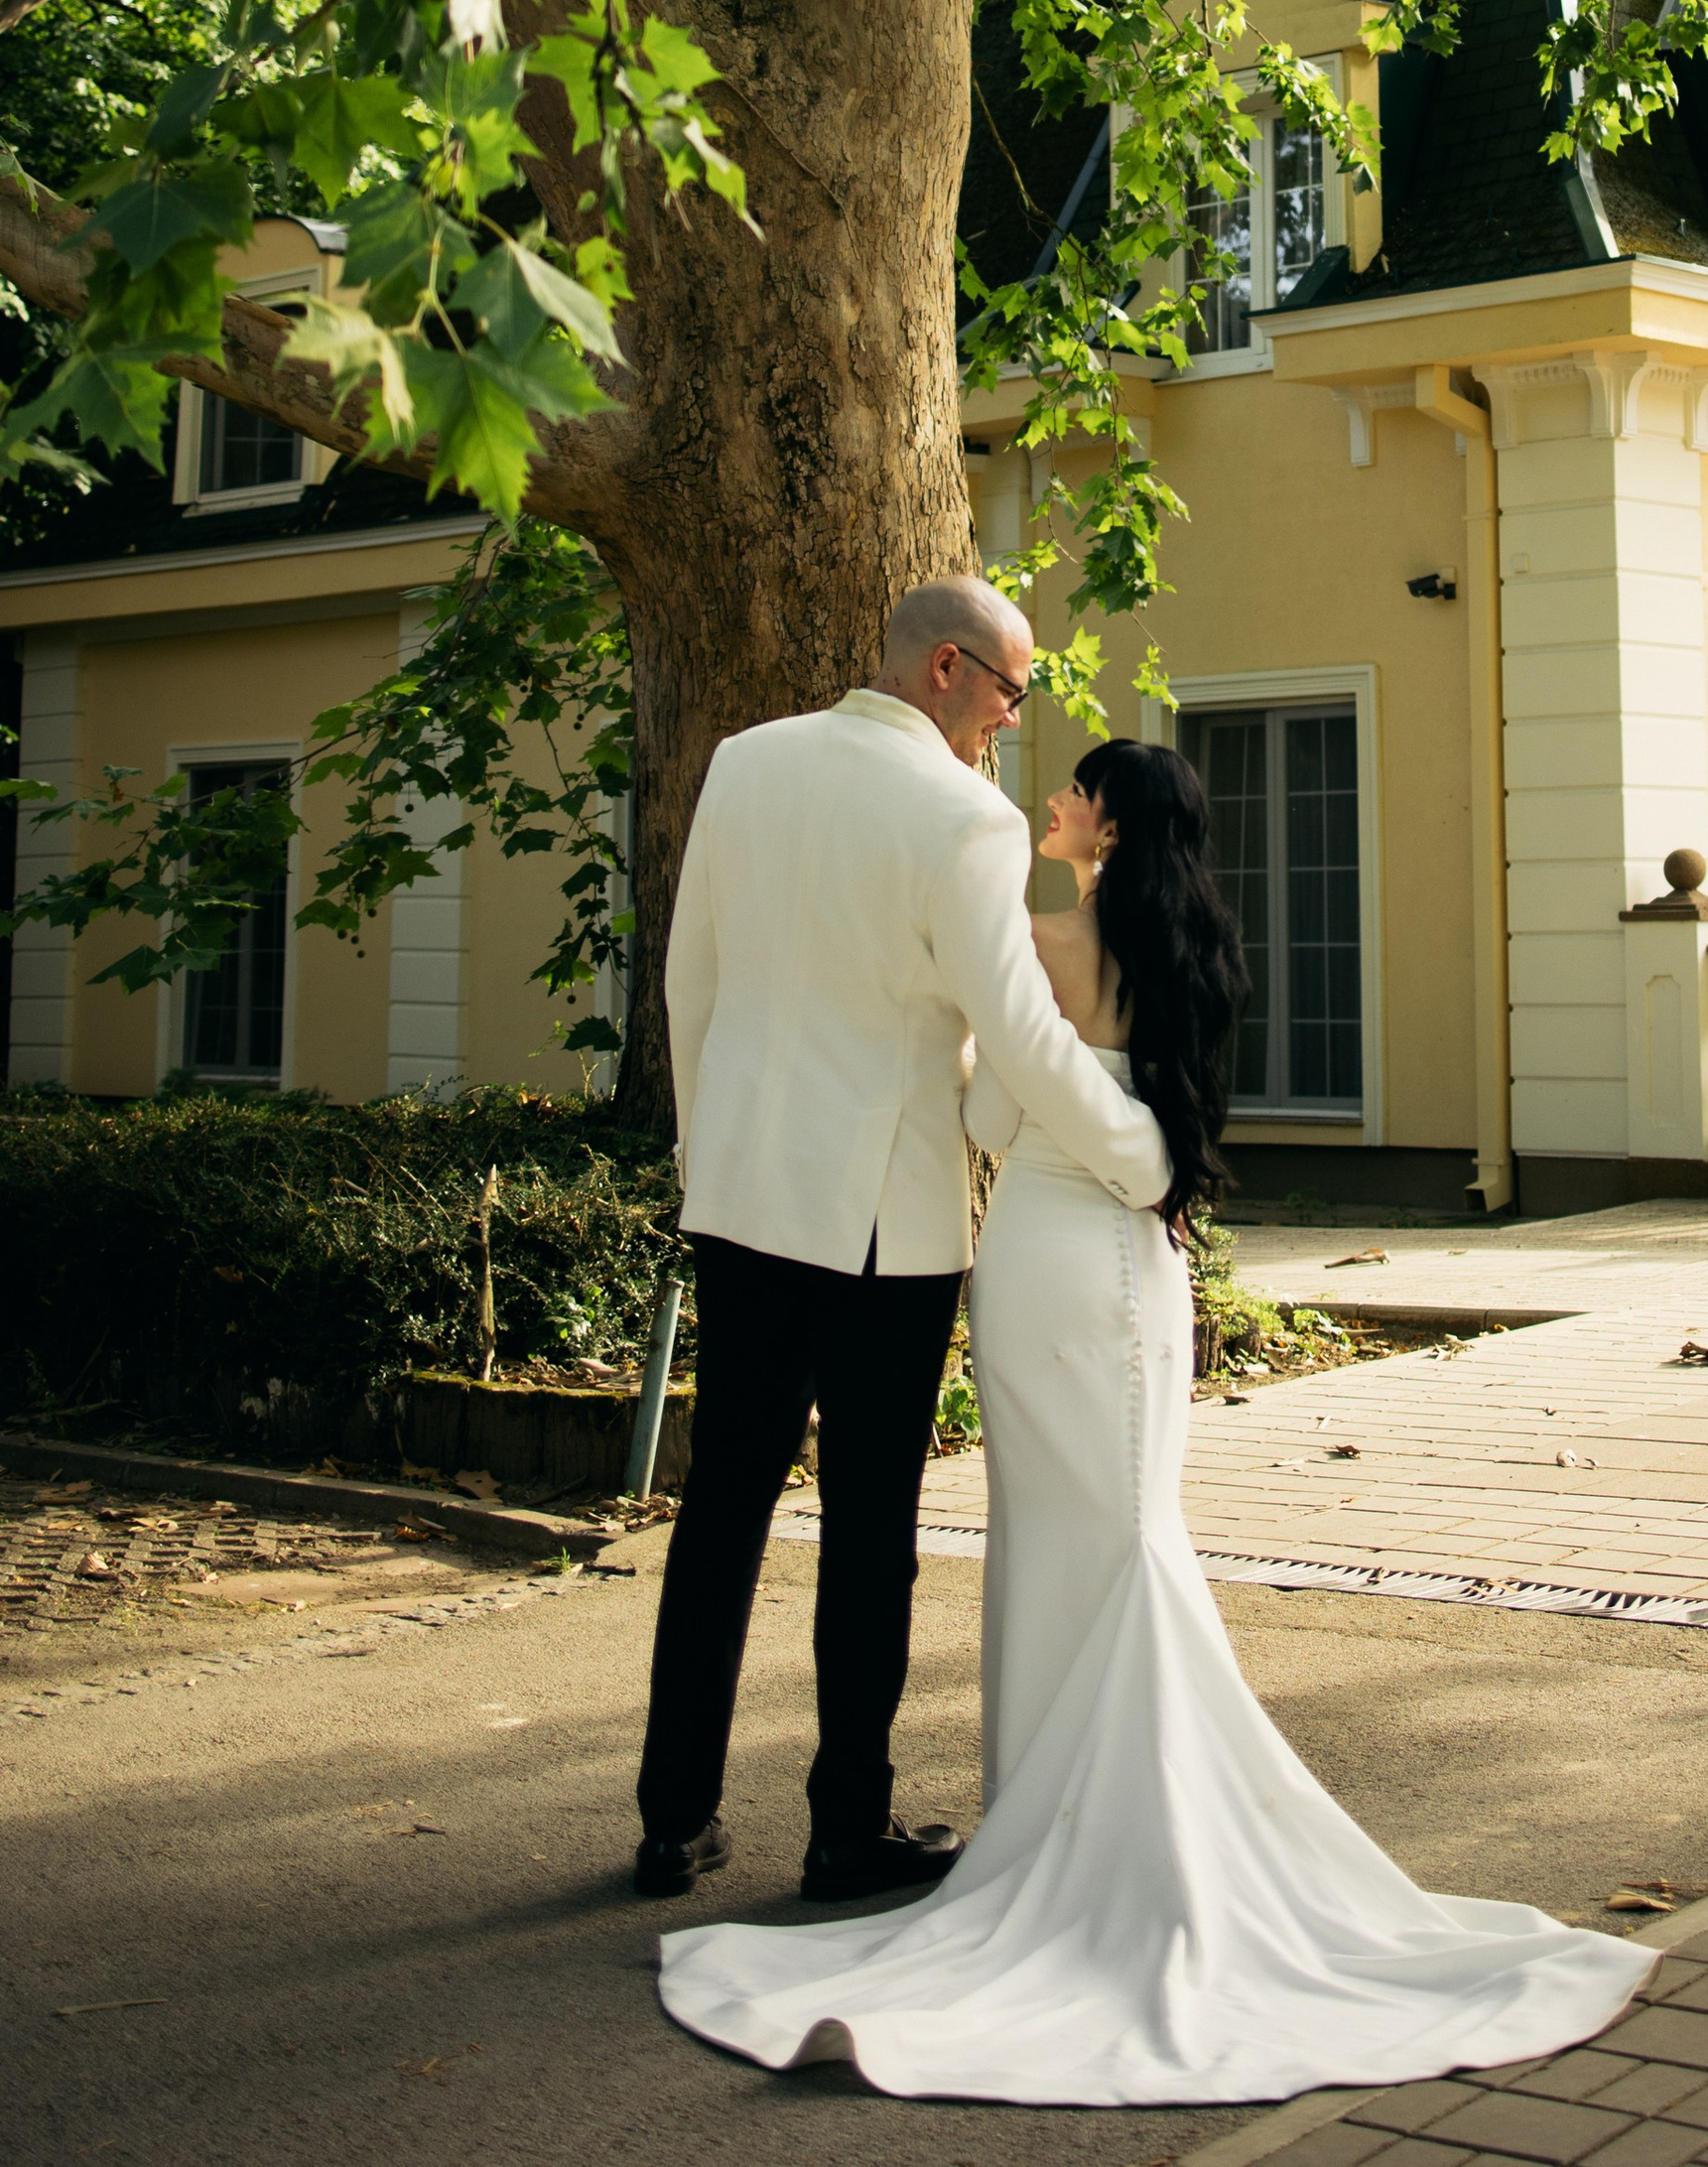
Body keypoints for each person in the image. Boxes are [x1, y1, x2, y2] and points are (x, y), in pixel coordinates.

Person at [655, 738, 1651, 2102]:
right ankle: (1131, 1818)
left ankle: (1063, 1825)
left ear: (1108, 827)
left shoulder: (1044, 946)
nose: (1051, 801)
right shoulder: (1191, 951)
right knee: (1132, 1532)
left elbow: (1000, 1108)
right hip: (1134, 1273)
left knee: (1062, 1540)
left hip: (1037, 1268)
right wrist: (1141, 1155)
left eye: (1072, 789)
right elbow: (1153, 1123)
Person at [630, 577, 1170, 1906]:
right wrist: (1141, 1157)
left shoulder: (744, 766)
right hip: (886, 1224)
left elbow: (687, 980)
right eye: (1010, 689)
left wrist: (715, 1157)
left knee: (721, 1515)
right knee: (872, 1527)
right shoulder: (963, 817)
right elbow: (1023, 1031)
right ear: (945, 670)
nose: (1011, 718)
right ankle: (842, 1831)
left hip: (745, 1204)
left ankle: (671, 1819)